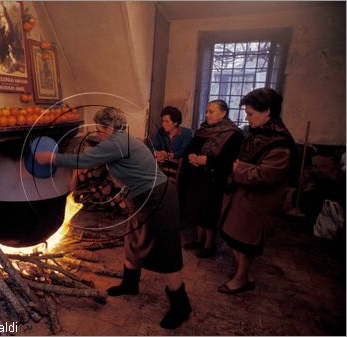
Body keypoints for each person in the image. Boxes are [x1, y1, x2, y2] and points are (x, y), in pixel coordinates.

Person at [35, 107, 191, 329]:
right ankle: (130, 284)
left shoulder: (116, 142)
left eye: (99, 128)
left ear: (108, 127)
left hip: (158, 197)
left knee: (166, 250)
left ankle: (181, 305)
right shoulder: (120, 139)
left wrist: (51, 158)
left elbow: (85, 161)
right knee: (134, 241)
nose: (97, 133)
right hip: (143, 197)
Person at [218, 88, 296, 294]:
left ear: (267, 112)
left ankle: (241, 279)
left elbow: (266, 175)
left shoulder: (280, 143)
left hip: (256, 203)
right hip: (241, 197)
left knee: (245, 243)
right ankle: (245, 274)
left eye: (251, 113)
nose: (247, 117)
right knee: (234, 239)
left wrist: (237, 168)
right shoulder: (258, 135)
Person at [178, 100, 243, 258]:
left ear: (223, 113)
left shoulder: (233, 134)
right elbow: (191, 148)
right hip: (197, 176)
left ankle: (209, 244)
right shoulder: (203, 130)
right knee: (196, 209)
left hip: (215, 179)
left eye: (212, 111)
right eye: (207, 111)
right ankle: (199, 239)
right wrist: (191, 156)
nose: (207, 115)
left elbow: (230, 160)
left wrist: (207, 161)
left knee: (209, 212)